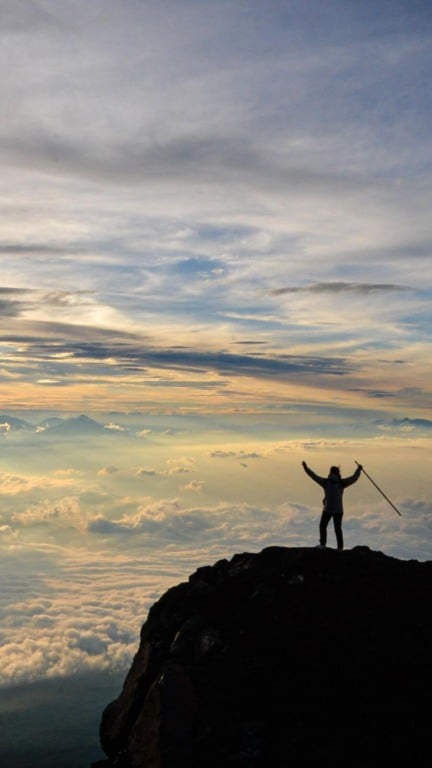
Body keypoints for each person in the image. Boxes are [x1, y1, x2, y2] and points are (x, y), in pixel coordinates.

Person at [302, 461, 362, 550]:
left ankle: (323, 545)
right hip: (339, 510)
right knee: (338, 529)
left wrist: (306, 468)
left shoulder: (326, 482)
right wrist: (358, 470)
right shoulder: (342, 483)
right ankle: (340, 548)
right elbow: (354, 478)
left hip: (328, 509)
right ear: (338, 473)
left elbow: (314, 476)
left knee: (323, 526)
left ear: (330, 472)